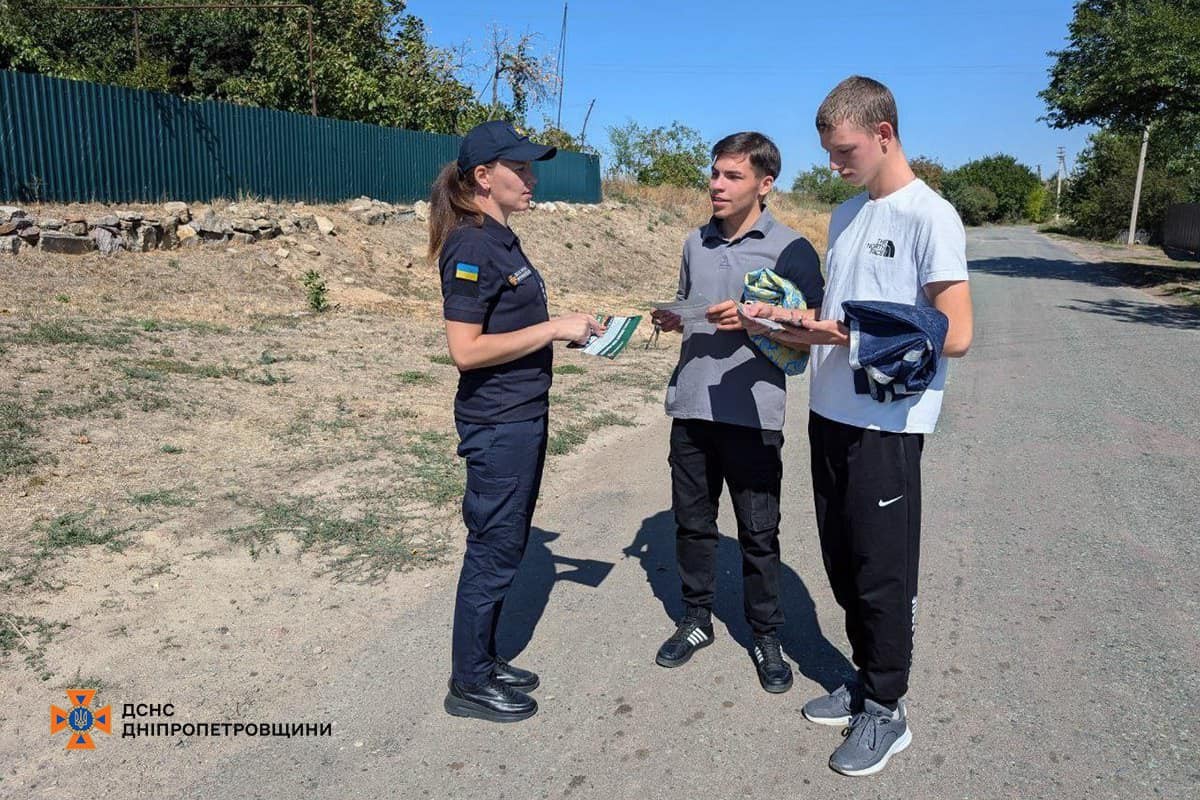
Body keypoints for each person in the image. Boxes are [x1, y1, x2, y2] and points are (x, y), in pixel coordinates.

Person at [745, 76, 974, 775]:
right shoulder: (847, 215)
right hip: (829, 412)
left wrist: (841, 334)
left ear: (884, 134)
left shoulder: (930, 216)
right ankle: (864, 680)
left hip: (888, 424)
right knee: (843, 564)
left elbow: (957, 333)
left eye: (844, 151)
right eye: (828, 153)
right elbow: (844, 318)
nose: (835, 165)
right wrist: (796, 326)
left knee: (882, 572)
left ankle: (887, 710)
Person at [431, 120, 605, 723]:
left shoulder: (501, 239)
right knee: (493, 550)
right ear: (485, 177)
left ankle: (483, 658)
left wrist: (573, 332)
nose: (532, 179)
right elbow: (467, 349)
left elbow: (509, 329)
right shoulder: (472, 246)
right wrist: (555, 328)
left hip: (523, 415)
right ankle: (468, 682)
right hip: (499, 422)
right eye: (521, 169)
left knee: (508, 544)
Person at [649, 132, 825, 693]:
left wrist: (756, 323)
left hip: (754, 416)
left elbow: (813, 338)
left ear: (764, 184)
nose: (716, 186)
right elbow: (687, 305)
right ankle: (696, 620)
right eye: (715, 174)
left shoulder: (792, 249)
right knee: (693, 526)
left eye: (732, 177)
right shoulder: (693, 243)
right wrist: (675, 319)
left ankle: (767, 635)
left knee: (758, 532)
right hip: (693, 406)